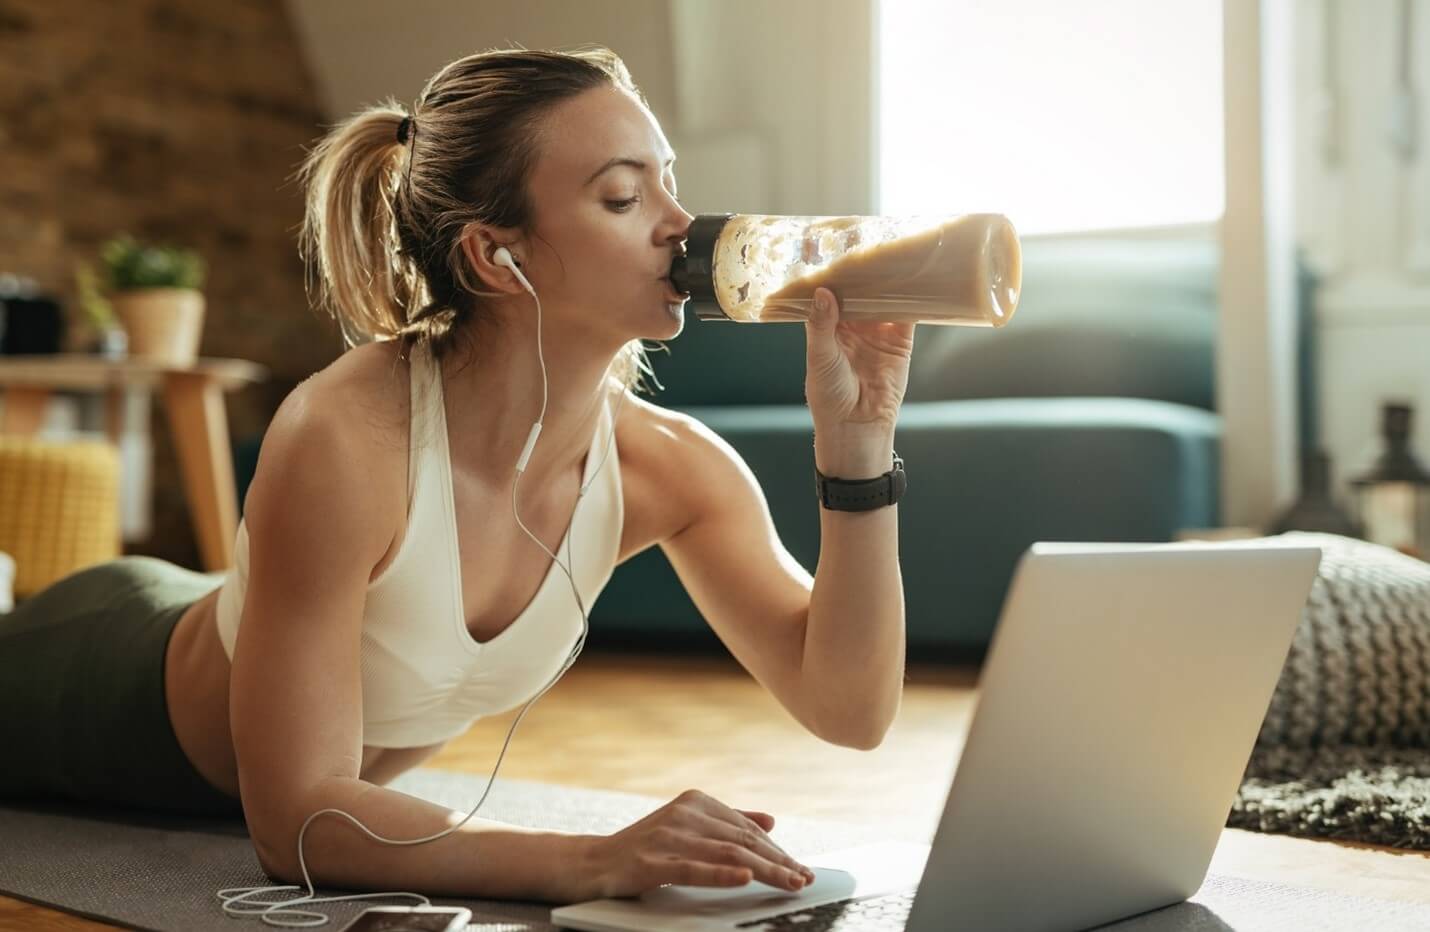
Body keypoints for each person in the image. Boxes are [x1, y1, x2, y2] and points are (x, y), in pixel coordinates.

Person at [0, 46, 916, 905]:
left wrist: (858, 448)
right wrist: (595, 860)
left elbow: (850, 709)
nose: (680, 224)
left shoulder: (666, 467)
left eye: (669, 182)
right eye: (623, 198)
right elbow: (295, 826)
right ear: (494, 255)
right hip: (95, 680)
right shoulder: (346, 437)